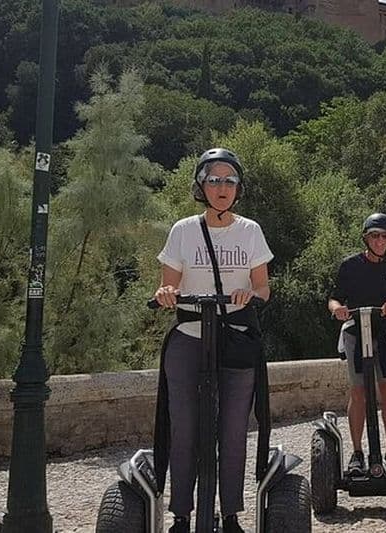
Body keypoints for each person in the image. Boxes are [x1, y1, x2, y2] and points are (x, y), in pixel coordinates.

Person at [153, 148, 273, 533]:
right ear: (201, 186)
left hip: (234, 338)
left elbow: (263, 288)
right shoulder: (183, 230)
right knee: (184, 428)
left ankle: (233, 515)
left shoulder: (250, 231)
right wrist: (167, 293)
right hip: (189, 337)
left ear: (239, 188)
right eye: (214, 179)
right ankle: (182, 516)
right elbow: (167, 283)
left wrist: (248, 295)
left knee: (234, 429)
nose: (222, 187)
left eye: (230, 180)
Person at [328, 213, 386, 476]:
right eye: (375, 235)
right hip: (355, 332)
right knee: (358, 391)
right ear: (365, 237)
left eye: (385, 236)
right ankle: (357, 453)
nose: (380, 241)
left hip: (385, 334)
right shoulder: (350, 266)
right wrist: (338, 309)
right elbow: (334, 298)